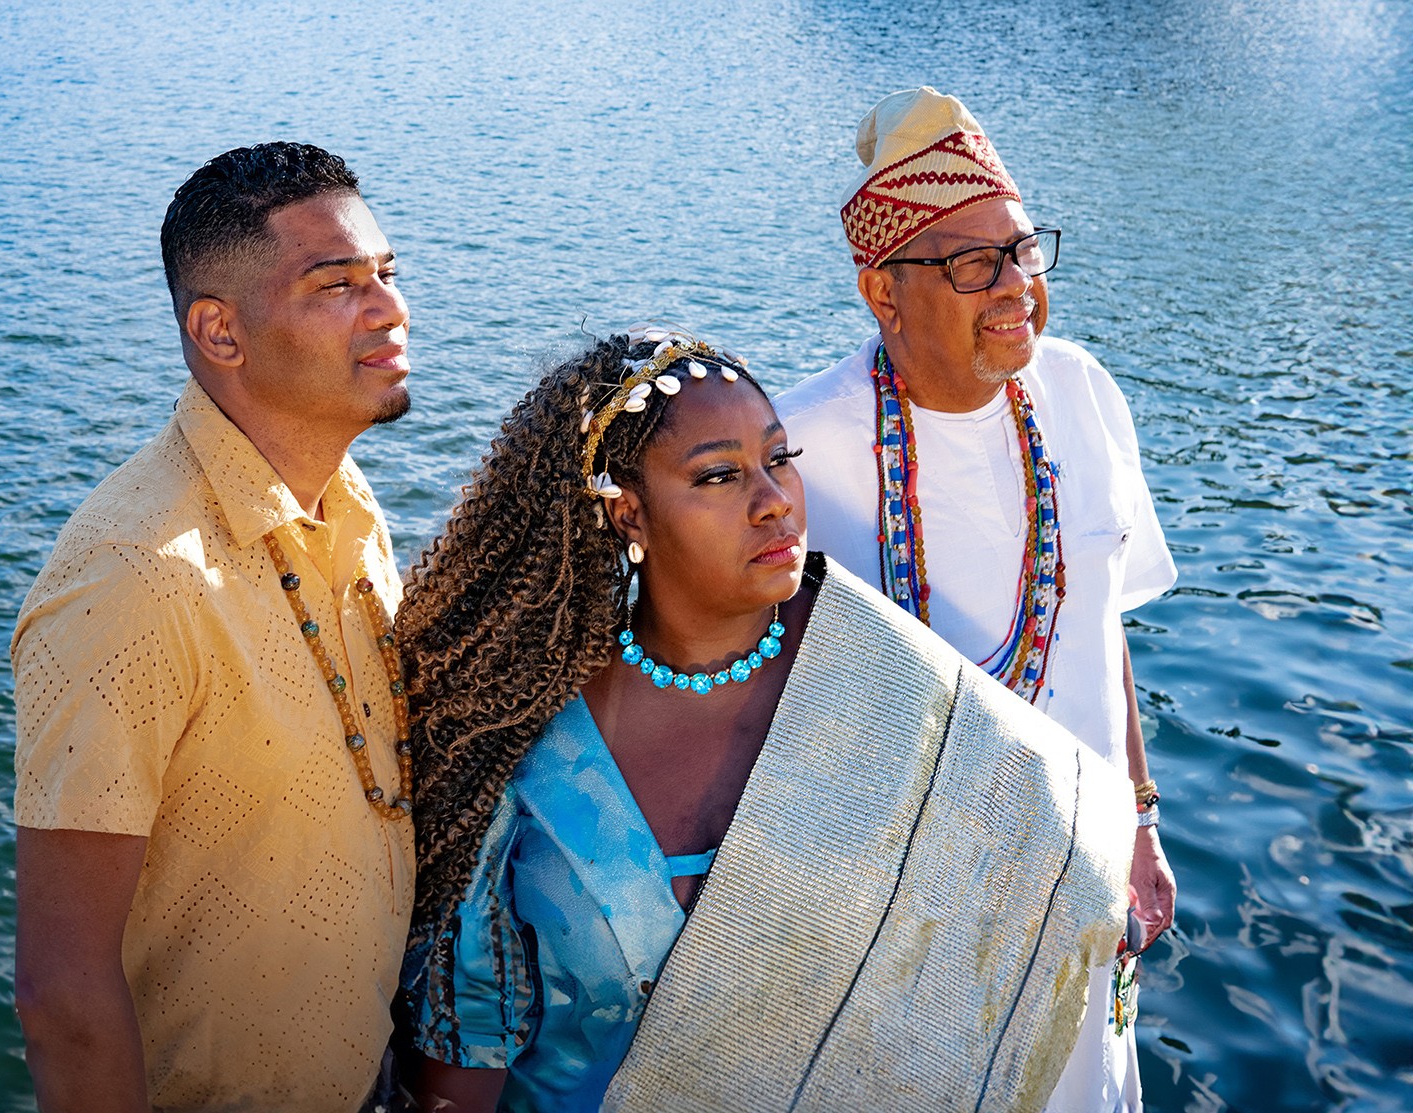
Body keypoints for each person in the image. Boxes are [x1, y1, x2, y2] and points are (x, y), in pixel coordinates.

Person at [396, 326, 1137, 1113]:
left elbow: (1037, 892)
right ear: (628, 516)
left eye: (780, 458)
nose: (775, 500)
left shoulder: (885, 679)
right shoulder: (520, 734)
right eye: (719, 474)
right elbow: (466, 1055)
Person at [775, 87, 1179, 1113]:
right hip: (903, 922)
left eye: (1023, 250)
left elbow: (1099, 627)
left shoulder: (1080, 389)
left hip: (1084, 887)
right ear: (882, 291)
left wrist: (1140, 823)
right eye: (971, 263)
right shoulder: (791, 449)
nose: (1015, 288)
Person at [10, 142, 415, 1112]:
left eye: (387, 276)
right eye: (335, 285)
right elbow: (60, 993)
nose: (390, 309)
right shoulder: (134, 583)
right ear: (219, 333)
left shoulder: (346, 502)